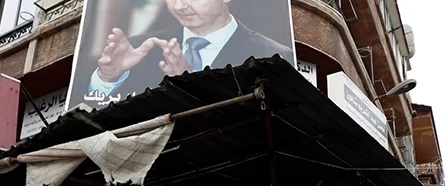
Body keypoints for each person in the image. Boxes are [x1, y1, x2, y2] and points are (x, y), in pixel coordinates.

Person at [86, 0, 293, 99]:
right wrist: (108, 78)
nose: (179, 6)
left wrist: (190, 83)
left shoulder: (273, 56)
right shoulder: (143, 47)